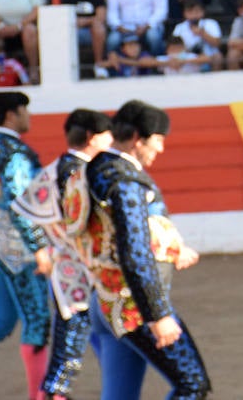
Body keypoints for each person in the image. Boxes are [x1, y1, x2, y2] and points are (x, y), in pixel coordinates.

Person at [83, 100, 210, 399]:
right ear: (139, 138)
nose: (161, 149)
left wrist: (172, 247)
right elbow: (134, 251)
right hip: (134, 307)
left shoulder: (93, 168)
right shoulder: (125, 180)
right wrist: (158, 314)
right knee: (192, 384)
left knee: (119, 395)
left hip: (102, 297)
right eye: (158, 140)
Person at [19, 109, 114, 400]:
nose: (111, 140)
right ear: (92, 138)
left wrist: (45, 250)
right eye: (107, 134)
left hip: (64, 265)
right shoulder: (87, 173)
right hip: (85, 265)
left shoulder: (52, 169)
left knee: (74, 330)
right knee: (76, 330)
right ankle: (54, 392)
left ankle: (54, 390)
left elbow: (26, 214)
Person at [0, 91, 53, 400]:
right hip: (14, 243)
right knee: (37, 319)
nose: (27, 117)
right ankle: (40, 396)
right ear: (10, 115)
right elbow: (20, 203)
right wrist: (39, 247)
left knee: (1, 320)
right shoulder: (14, 151)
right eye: (23, 111)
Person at [0, 0, 43, 81]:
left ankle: (34, 70)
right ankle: (0, 73)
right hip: (2, 28)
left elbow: (37, 10)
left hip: (25, 26)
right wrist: (1, 26)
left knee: (30, 30)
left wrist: (19, 26)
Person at [64, 0, 109, 69]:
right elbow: (65, 20)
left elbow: (100, 18)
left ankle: (99, 64)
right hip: (73, 31)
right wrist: (90, 20)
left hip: (92, 32)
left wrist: (82, 21)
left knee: (98, 28)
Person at [170, 0, 224, 72]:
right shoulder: (179, 27)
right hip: (186, 58)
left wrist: (203, 33)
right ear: (185, 13)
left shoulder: (211, 23)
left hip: (209, 57)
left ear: (202, 12)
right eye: (190, 12)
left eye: (197, 11)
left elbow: (217, 44)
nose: (194, 15)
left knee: (218, 57)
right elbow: (174, 45)